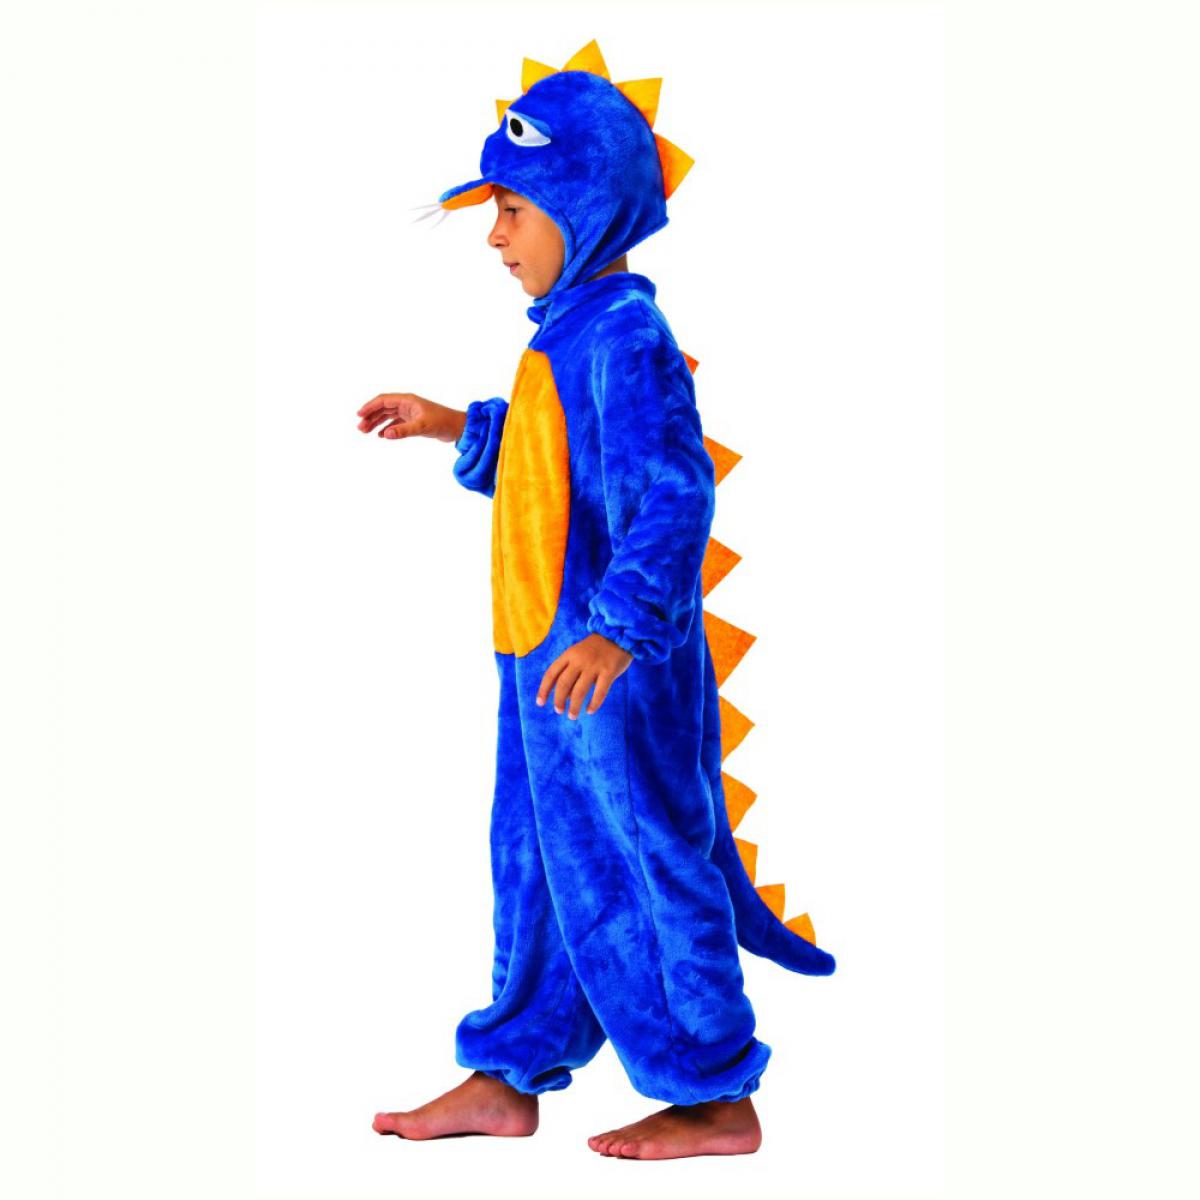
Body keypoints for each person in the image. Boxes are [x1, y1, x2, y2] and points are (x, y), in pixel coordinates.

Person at [355, 40, 835, 1161]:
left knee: (651, 858)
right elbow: (551, 464)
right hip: (540, 660)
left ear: (583, 209)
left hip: (614, 671)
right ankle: (510, 1071)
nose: (495, 237)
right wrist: (448, 424)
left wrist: (620, 633)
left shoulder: (627, 338)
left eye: (512, 210)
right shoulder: (566, 335)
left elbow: (674, 492)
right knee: (533, 860)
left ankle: (715, 1094)